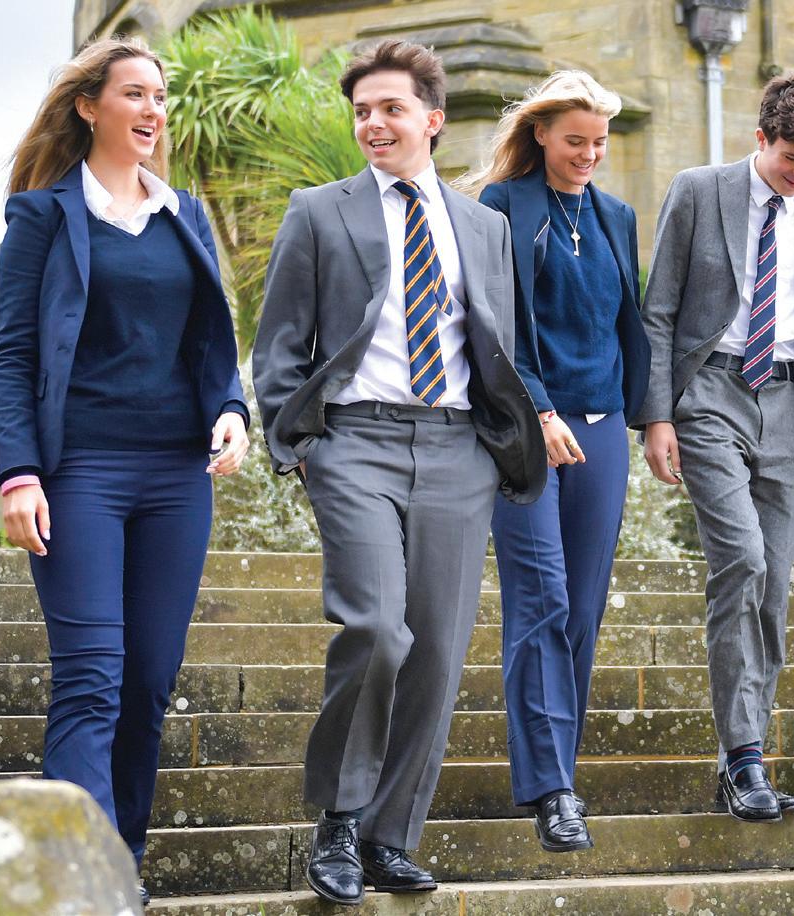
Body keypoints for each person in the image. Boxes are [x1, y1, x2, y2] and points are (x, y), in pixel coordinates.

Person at [251, 40, 544, 905]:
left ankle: (390, 837)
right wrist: (301, 445)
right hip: (354, 443)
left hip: (457, 450)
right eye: (362, 112)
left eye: (390, 109)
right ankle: (340, 820)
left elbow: (496, 347)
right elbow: (280, 343)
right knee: (377, 628)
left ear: (432, 118)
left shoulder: (484, 226)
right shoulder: (318, 211)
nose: (373, 124)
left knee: (438, 650)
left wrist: (502, 442)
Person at [0, 38, 251, 907]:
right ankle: (86, 885)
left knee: (146, 684)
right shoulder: (42, 216)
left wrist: (231, 408)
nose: (153, 110)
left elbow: (210, 341)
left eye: (160, 96)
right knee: (92, 677)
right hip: (81, 474)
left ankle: (119, 863)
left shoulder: (184, 215)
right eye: (134, 93)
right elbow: (15, 355)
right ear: (89, 106)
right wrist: (19, 475)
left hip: (176, 476)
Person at [636, 70, 794, 824]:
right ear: (761, 138)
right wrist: (657, 417)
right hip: (709, 390)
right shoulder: (699, 190)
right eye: (791, 159)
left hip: (788, 403)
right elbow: (659, 311)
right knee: (742, 560)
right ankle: (742, 758)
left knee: (774, 586)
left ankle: (746, 760)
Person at [459, 71, 650, 852]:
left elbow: (628, 323)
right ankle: (552, 789)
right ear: (538, 134)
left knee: (582, 605)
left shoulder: (616, 216)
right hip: (523, 425)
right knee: (539, 597)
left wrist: (651, 417)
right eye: (575, 140)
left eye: (599, 142)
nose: (589, 154)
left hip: (602, 427)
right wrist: (538, 411)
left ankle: (557, 770)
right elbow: (492, 321)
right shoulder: (501, 206)